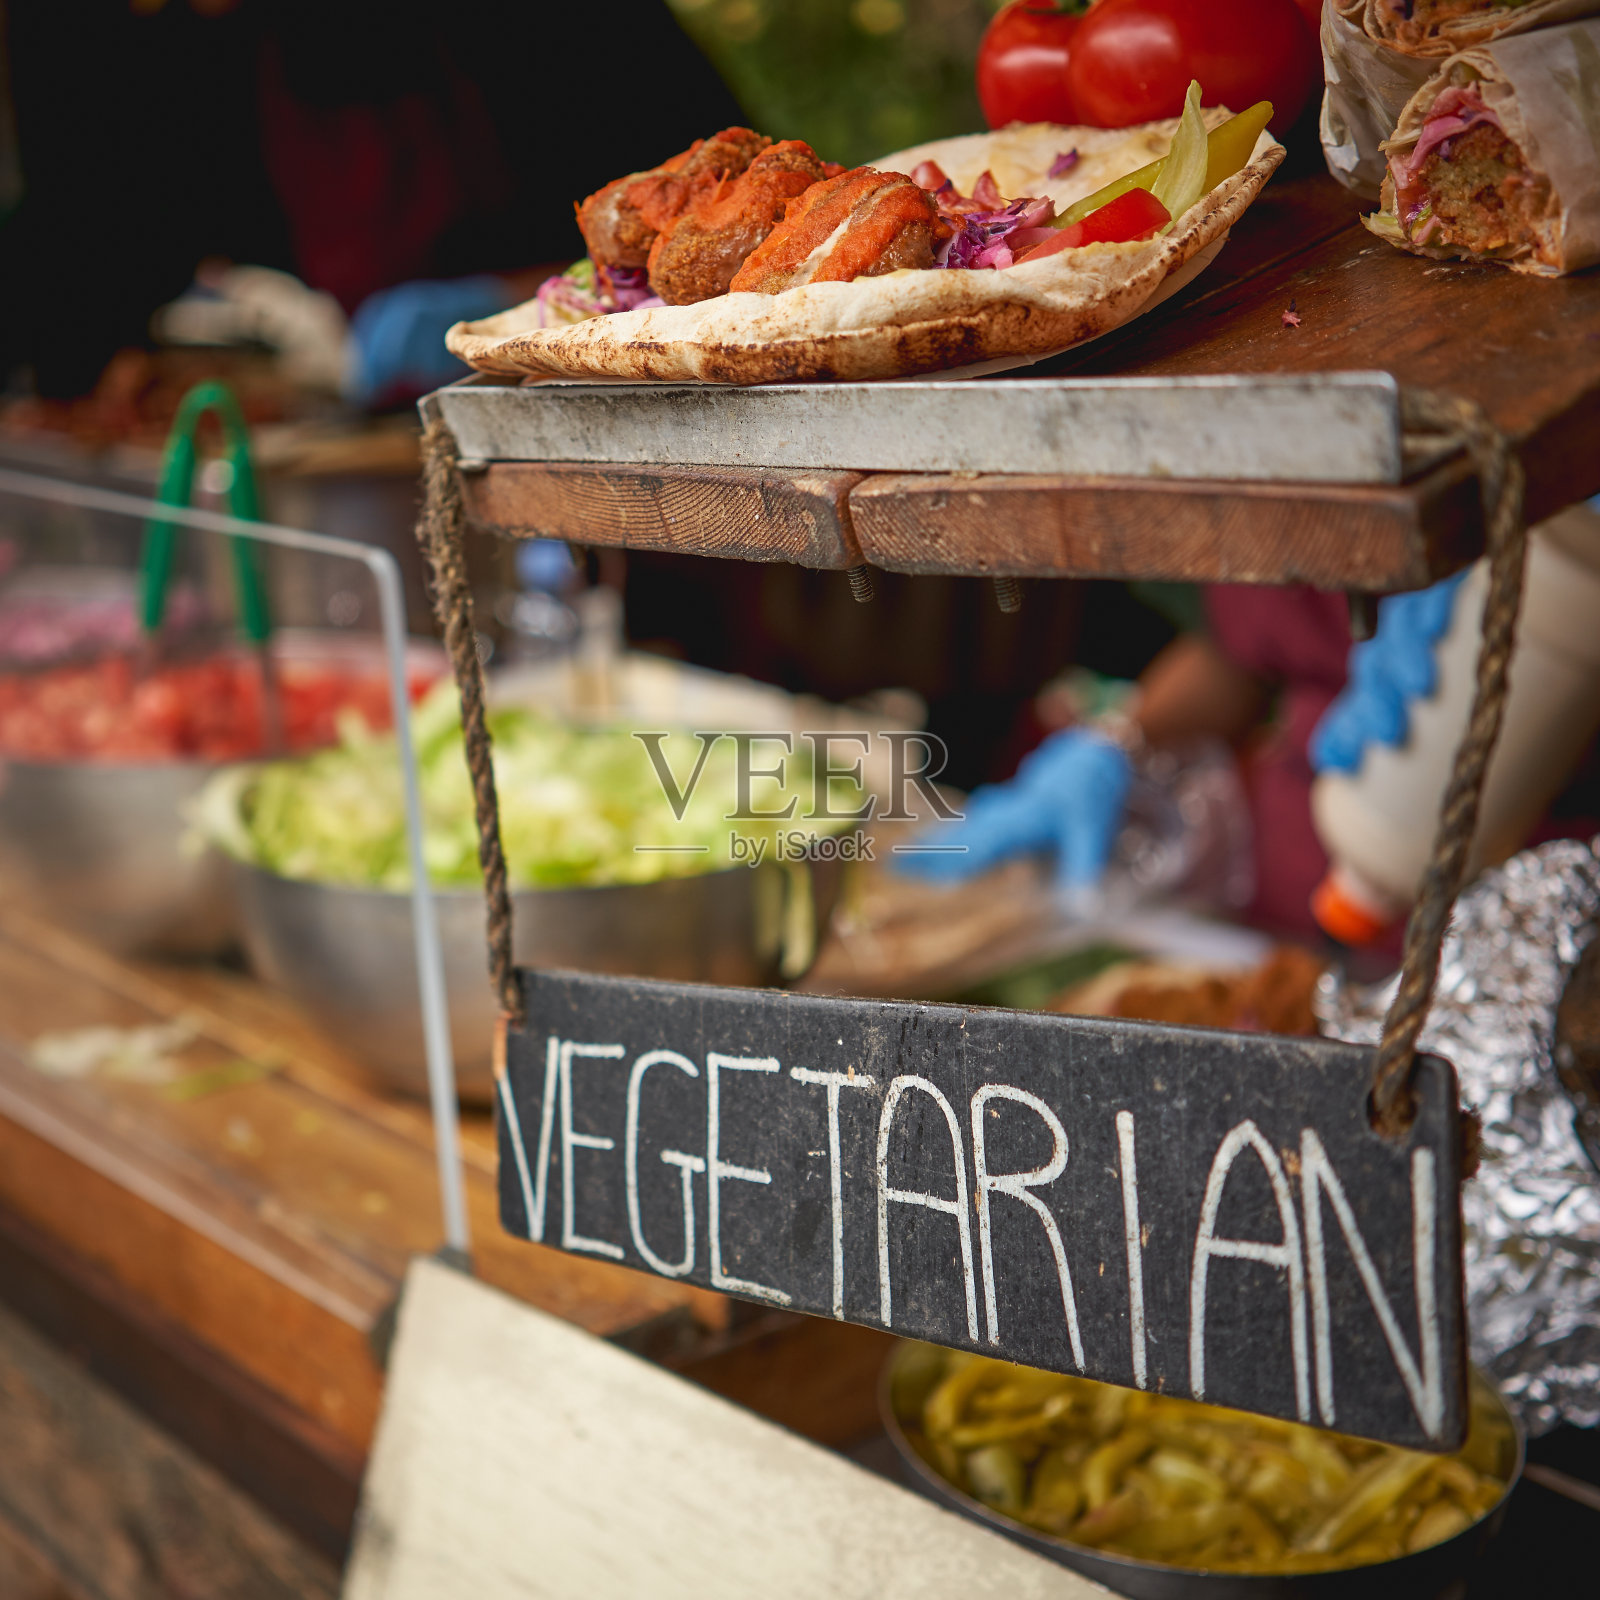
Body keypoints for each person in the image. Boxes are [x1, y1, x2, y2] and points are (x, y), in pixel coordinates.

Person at [0, 0, 744, 402]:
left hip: (625, 422)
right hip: (374, 456)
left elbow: (725, 228)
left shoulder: (563, 27)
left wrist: (519, 306)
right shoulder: (220, 55)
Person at [898, 545, 1600, 948]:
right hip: (1292, 922)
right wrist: (1118, 742)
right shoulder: (1227, 446)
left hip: (1528, 915)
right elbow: (1241, 646)